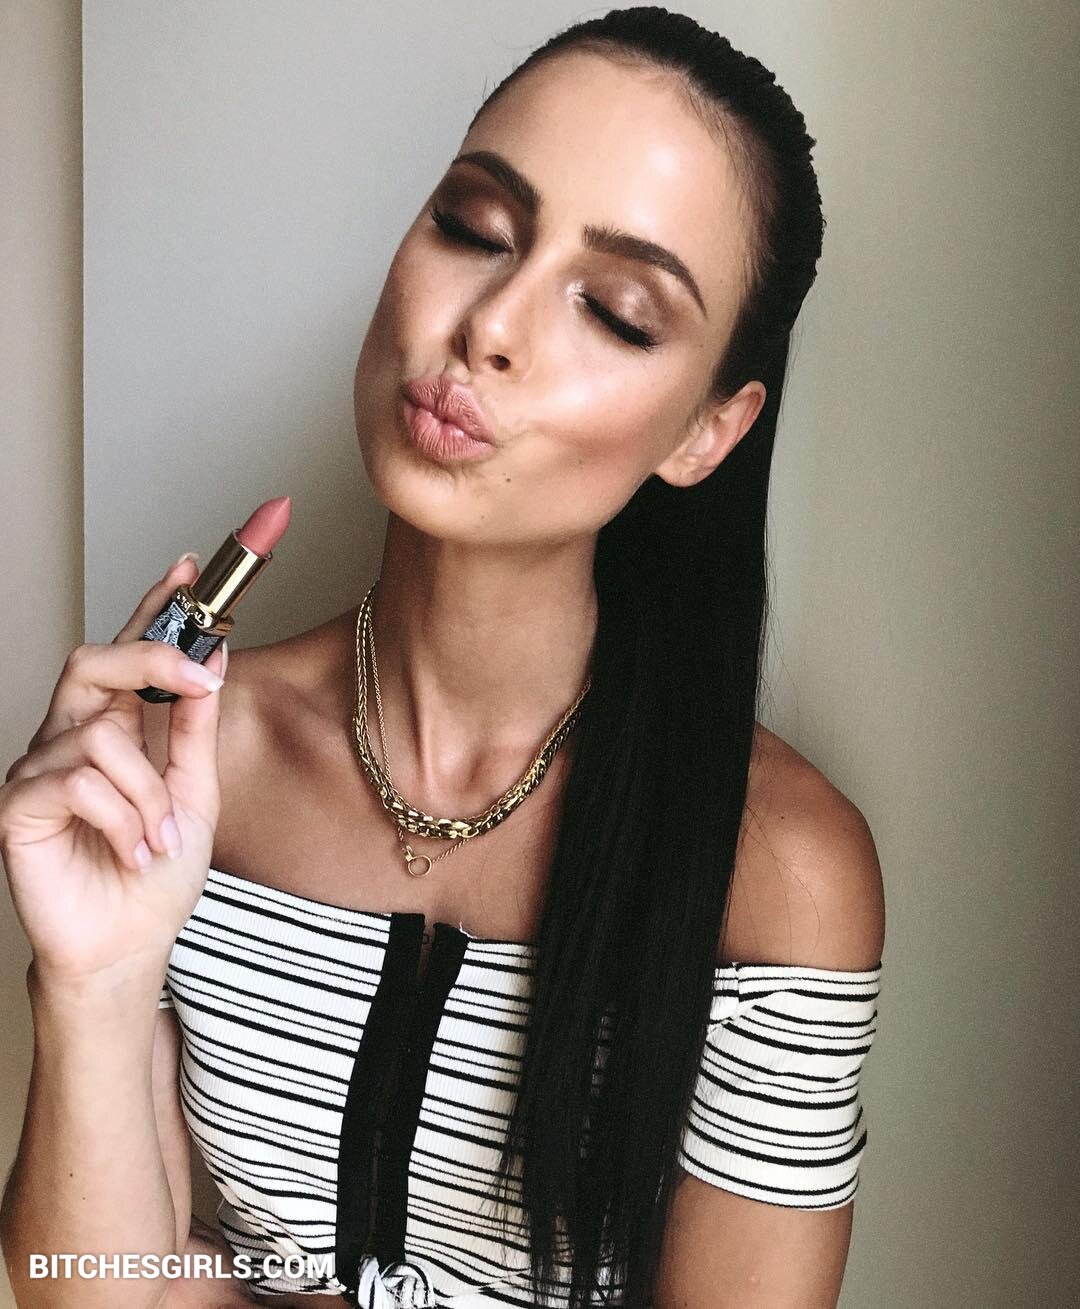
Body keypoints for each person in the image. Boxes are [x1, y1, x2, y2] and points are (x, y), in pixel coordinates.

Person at [0, 7, 885, 1307]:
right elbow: (90, 1290)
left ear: (708, 429)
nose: (493, 326)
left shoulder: (780, 869)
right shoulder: (185, 765)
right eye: (474, 226)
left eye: (617, 310)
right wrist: (93, 982)